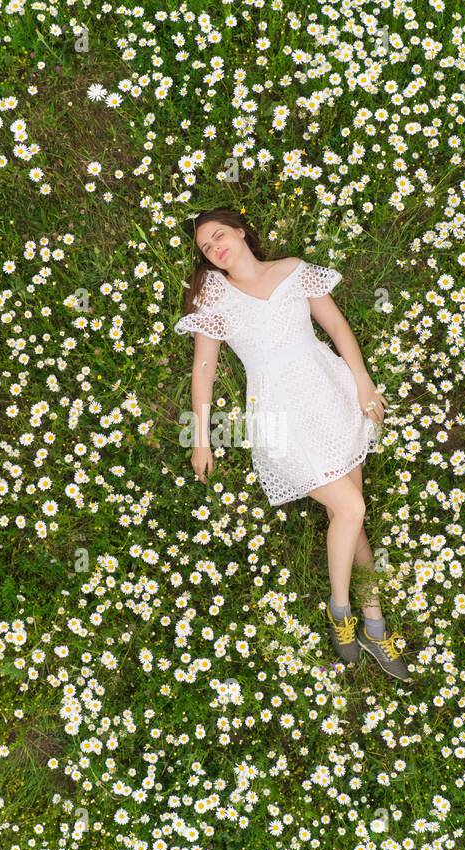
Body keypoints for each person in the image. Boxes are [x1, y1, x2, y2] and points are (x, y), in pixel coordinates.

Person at [174, 207, 411, 683]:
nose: (215, 247)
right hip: (280, 416)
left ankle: (374, 622)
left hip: (332, 395)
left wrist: (363, 383)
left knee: (351, 513)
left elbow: (338, 328)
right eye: (206, 247)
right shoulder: (213, 296)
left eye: (219, 235)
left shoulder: (294, 271)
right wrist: (201, 439)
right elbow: (203, 370)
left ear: (241, 231)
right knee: (351, 511)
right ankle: (340, 612)